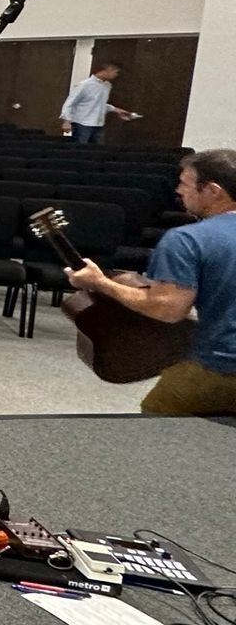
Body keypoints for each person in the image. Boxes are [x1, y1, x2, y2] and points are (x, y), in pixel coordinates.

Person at [66, 149, 236, 414]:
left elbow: (167, 308)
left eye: (185, 183)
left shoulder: (187, 239)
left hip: (220, 365)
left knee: (156, 420)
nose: (179, 190)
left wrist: (101, 282)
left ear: (213, 190)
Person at [59, 61, 138, 145]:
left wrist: (116, 110)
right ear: (106, 71)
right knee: (81, 149)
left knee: (98, 151)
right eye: (115, 72)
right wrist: (66, 121)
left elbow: (99, 103)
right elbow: (70, 103)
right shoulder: (84, 85)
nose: (116, 75)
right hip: (81, 123)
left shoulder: (107, 85)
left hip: (99, 124)